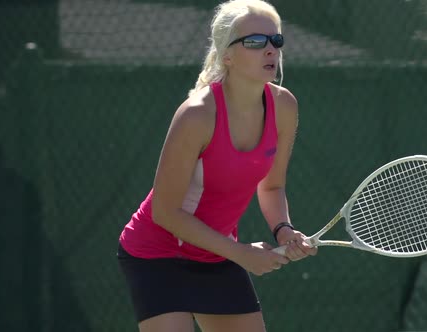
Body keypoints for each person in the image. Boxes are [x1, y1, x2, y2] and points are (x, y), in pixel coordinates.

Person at [117, 0, 317, 331]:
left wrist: (284, 229)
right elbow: (165, 213)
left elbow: (272, 185)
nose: (270, 50)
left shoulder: (284, 106)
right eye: (255, 42)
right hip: (157, 255)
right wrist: (241, 253)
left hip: (216, 254)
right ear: (227, 54)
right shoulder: (197, 114)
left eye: (276, 41)